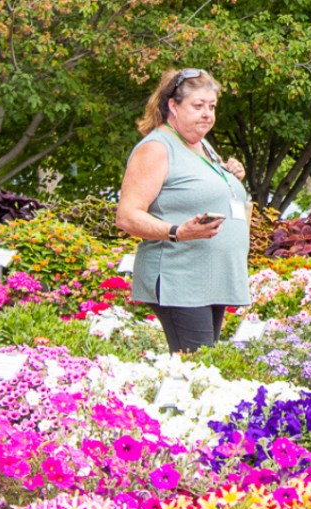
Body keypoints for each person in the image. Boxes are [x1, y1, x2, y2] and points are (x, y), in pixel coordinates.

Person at [116, 68, 251, 354]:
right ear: (173, 106)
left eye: (212, 107)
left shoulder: (202, 146)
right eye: (198, 106)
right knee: (196, 371)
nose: (207, 114)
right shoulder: (156, 148)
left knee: (204, 367)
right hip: (181, 278)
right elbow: (127, 216)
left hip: (212, 277)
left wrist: (230, 175)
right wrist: (177, 232)